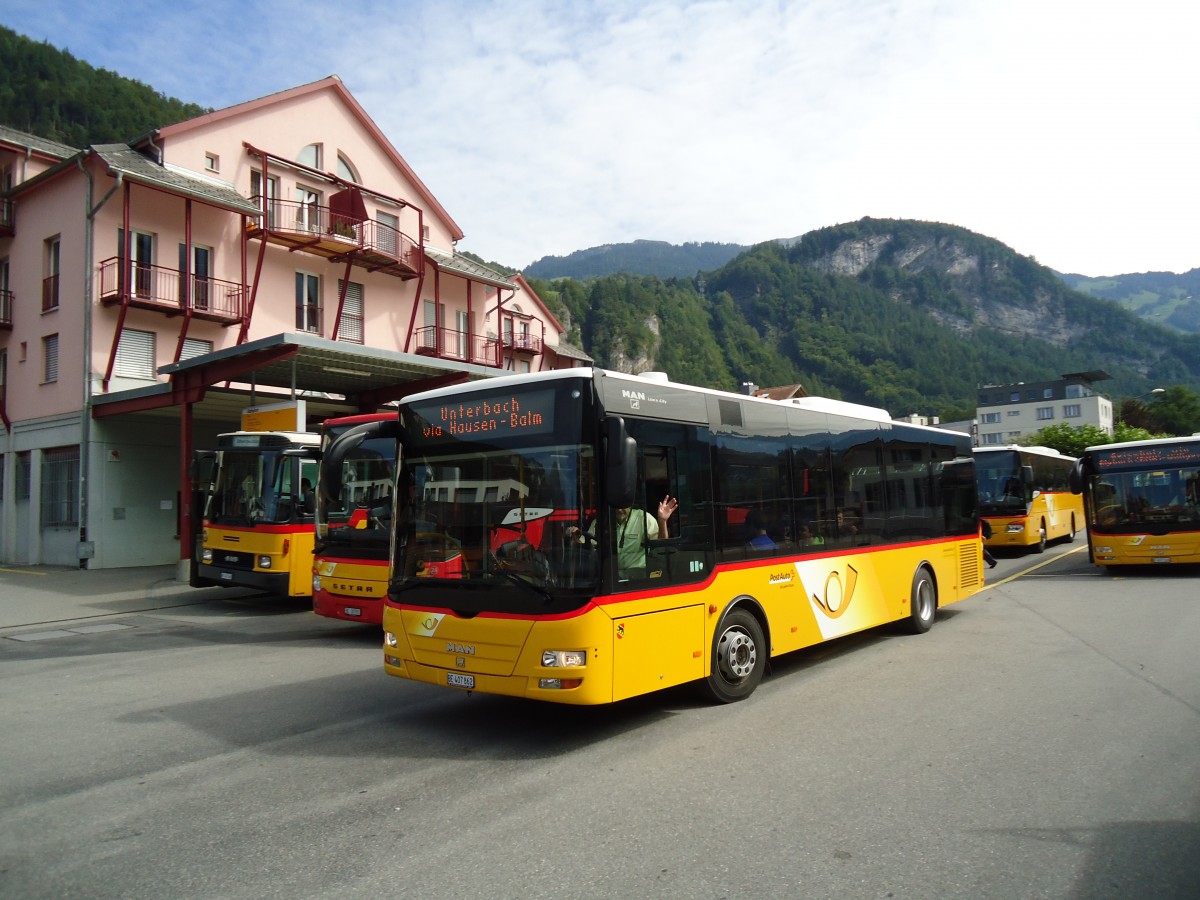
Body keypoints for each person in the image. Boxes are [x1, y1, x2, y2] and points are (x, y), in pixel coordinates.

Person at [569, 495, 678, 575]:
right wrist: (576, 536)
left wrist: (662, 521)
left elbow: (661, 545)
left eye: (623, 506)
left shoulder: (644, 518)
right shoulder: (600, 522)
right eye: (617, 507)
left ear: (630, 504)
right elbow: (587, 544)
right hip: (611, 578)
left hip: (637, 577)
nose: (620, 510)